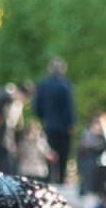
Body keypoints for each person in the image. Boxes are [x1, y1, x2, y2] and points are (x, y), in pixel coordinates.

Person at [31, 55, 76, 184]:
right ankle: (60, 179)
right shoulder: (66, 85)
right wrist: (71, 124)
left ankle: (49, 179)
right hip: (63, 127)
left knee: (48, 153)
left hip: (48, 124)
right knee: (63, 154)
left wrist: (42, 118)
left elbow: (36, 107)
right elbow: (69, 107)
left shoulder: (42, 85)